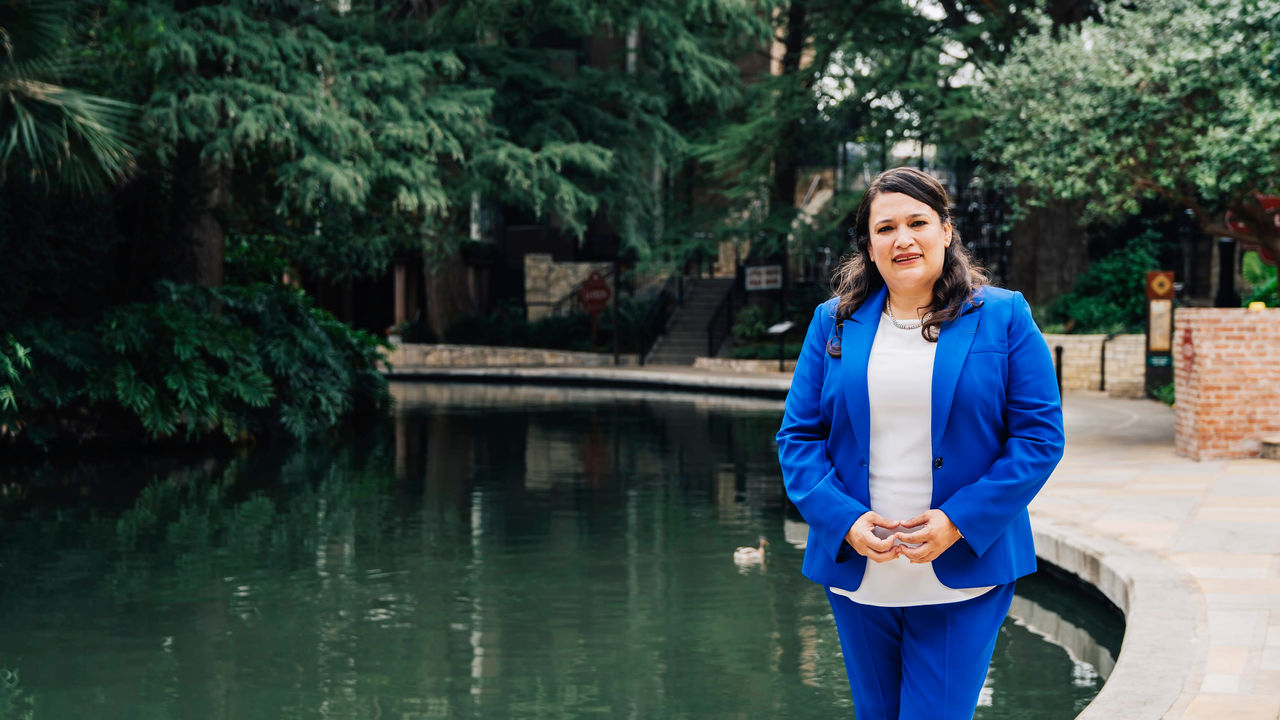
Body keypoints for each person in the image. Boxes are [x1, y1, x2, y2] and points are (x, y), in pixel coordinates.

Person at [776, 167, 1065, 719]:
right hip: (860, 570)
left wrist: (956, 520)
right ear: (869, 244)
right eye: (885, 228)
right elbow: (799, 437)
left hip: (961, 566)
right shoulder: (831, 323)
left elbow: (1039, 437)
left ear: (946, 230)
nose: (902, 239)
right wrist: (846, 521)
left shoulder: (1003, 316)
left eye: (917, 222)